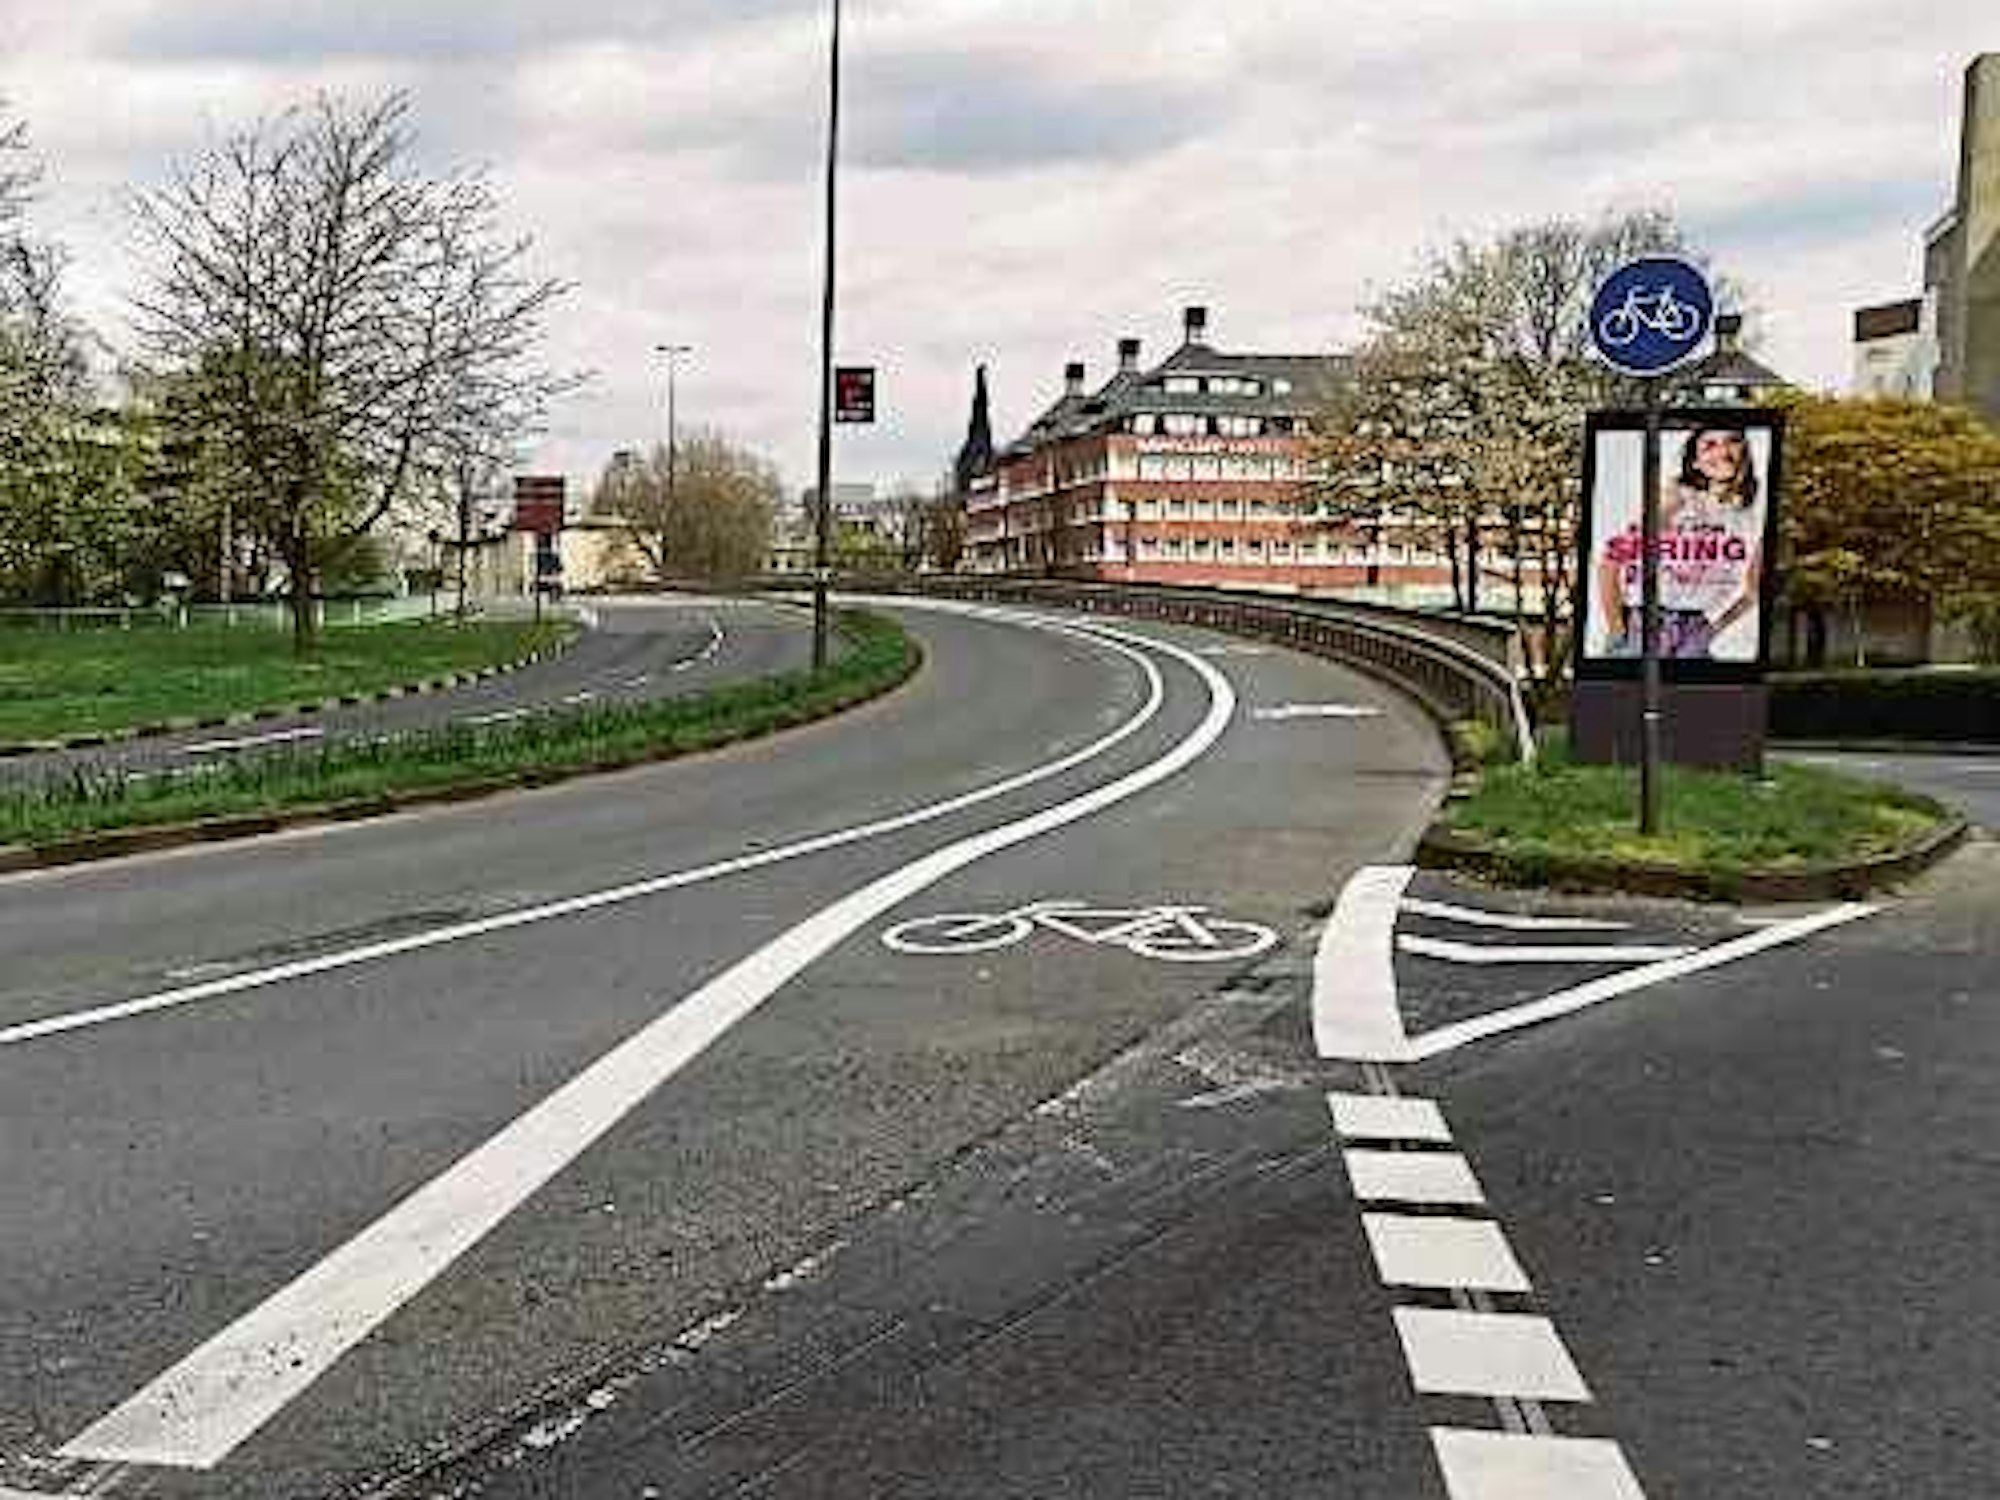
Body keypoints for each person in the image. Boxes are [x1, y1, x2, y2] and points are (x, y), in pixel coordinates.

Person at [1598, 427, 1763, 661]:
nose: (1723, 451)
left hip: (1695, 630)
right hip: (1643, 626)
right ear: (1695, 462)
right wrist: (1618, 631)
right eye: (1709, 445)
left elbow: (1753, 591)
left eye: (1733, 441)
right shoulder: (1677, 498)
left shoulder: (1750, 518)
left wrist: (1712, 630)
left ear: (1745, 450)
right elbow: (1610, 561)